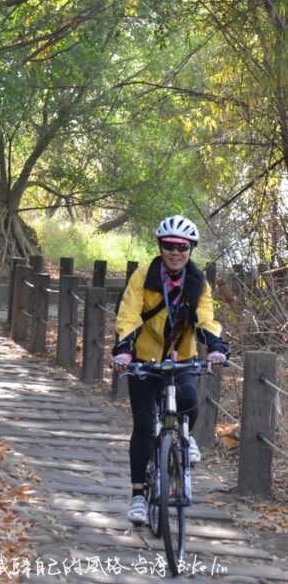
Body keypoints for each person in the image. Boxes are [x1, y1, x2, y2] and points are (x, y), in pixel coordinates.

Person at [112, 215, 229, 525]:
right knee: (144, 423)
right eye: (169, 246)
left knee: (190, 399)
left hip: (182, 356)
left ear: (191, 249)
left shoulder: (197, 282)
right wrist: (124, 349)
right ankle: (138, 496)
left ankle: (185, 439)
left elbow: (205, 317)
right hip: (145, 358)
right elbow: (128, 314)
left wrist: (216, 346)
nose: (175, 252)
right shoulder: (144, 276)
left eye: (182, 246)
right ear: (160, 247)